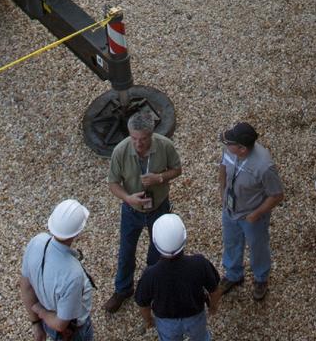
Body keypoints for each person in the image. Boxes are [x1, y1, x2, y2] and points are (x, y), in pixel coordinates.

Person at [105, 110, 183, 314]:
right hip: (132, 211)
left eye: (143, 139)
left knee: (157, 253)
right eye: (134, 138)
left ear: (152, 134)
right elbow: (113, 183)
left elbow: (177, 169)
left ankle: (153, 289)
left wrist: (160, 178)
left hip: (159, 208)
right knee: (126, 251)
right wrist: (128, 198)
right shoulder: (120, 151)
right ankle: (123, 290)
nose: (138, 144)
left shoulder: (165, 145)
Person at [218, 121, 284, 301]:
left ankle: (261, 278)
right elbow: (223, 167)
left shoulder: (264, 167)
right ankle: (233, 275)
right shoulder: (229, 150)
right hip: (230, 209)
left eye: (229, 143)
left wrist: (256, 214)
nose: (225, 145)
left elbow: (277, 195)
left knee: (258, 247)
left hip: (251, 215)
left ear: (242, 149)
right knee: (231, 242)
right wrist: (222, 191)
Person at [135, 212, 221, 341]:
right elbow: (214, 290)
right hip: (195, 316)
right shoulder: (199, 263)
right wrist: (213, 306)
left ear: (155, 241)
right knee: (201, 337)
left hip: (166, 321)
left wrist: (148, 320)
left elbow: (143, 303)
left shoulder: (150, 274)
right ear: (184, 238)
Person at [20, 199, 95, 341]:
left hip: (48, 323)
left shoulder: (37, 241)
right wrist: (41, 312)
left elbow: (26, 287)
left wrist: (36, 323)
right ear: (77, 233)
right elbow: (60, 324)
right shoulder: (73, 275)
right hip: (72, 333)